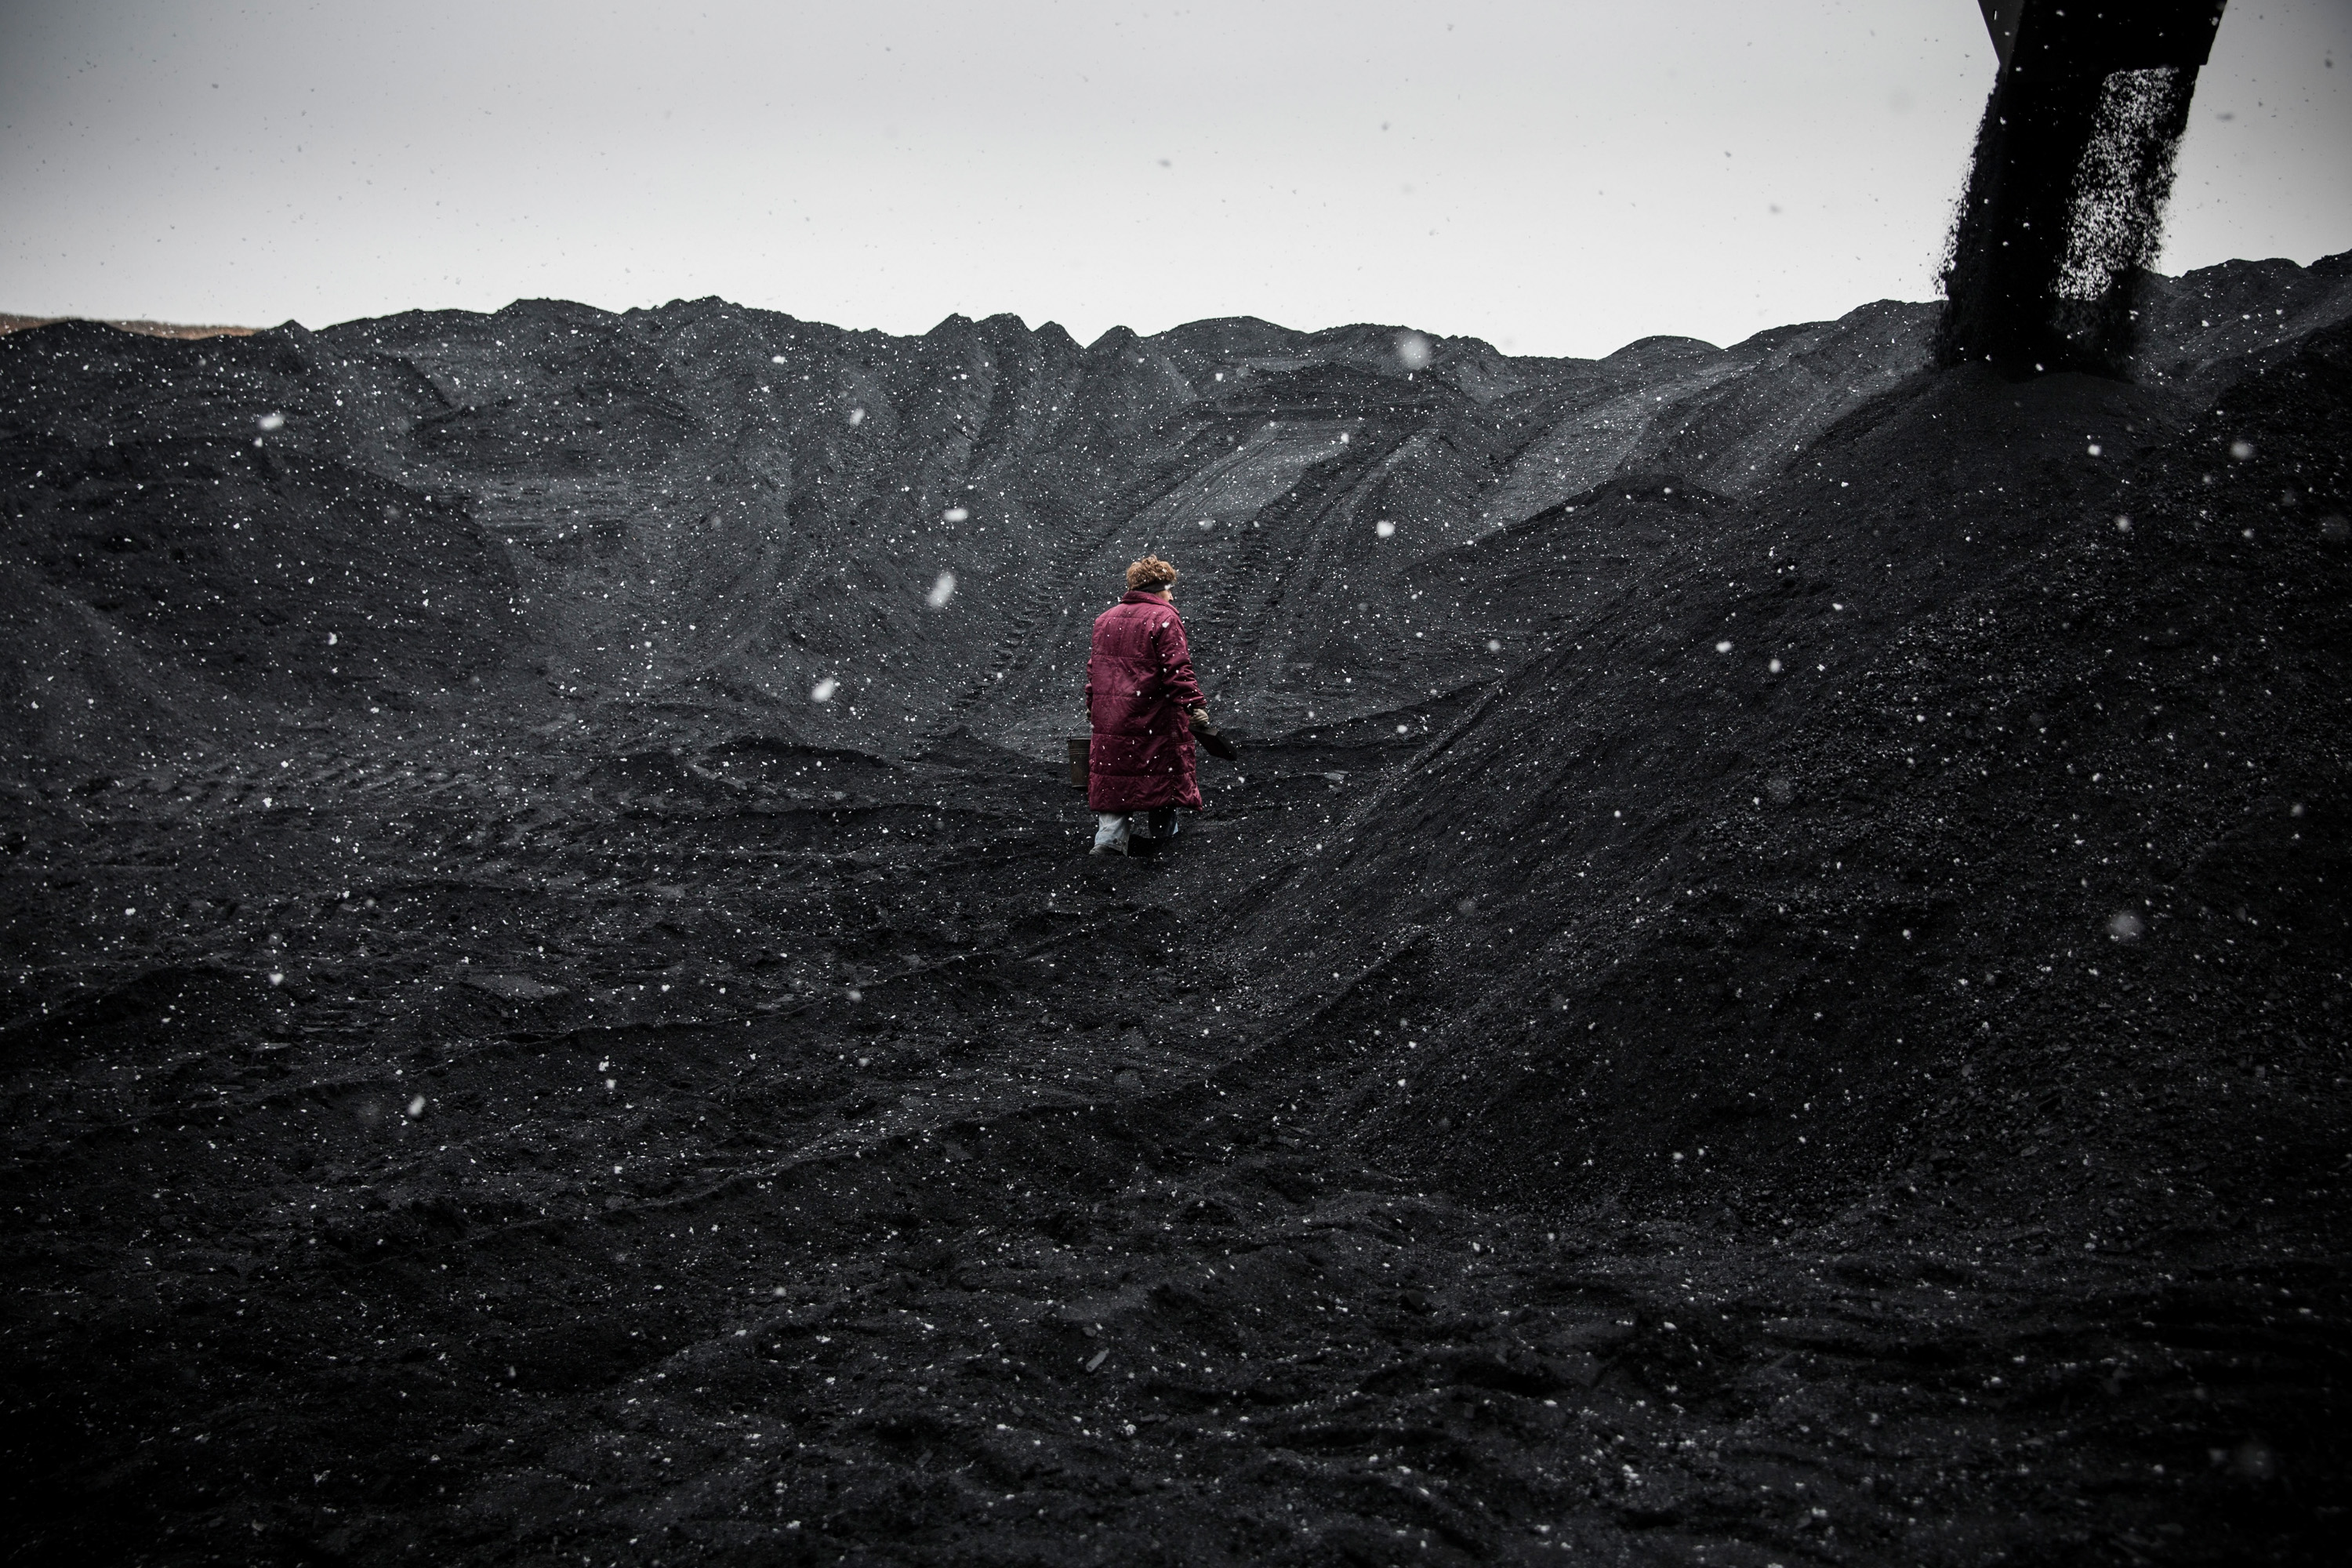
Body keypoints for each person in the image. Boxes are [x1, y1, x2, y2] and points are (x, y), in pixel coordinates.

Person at [1084, 555, 1210, 857]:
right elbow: (1177, 669)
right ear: (1157, 588)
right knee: (1161, 778)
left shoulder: (1105, 619)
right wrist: (1195, 705)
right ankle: (1166, 845)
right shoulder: (1164, 618)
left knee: (1116, 778)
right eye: (1169, 589)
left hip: (1114, 719)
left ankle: (1109, 842)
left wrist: (1093, 705)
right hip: (1154, 717)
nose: (1172, 596)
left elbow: (1095, 671)